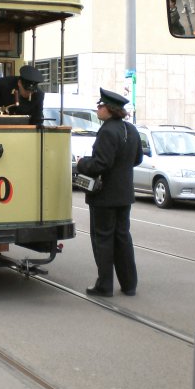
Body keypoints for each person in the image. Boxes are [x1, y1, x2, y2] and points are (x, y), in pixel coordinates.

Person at [77, 88, 143, 297]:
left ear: (110, 109)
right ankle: (129, 284)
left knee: (103, 239)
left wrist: (82, 163)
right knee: (123, 237)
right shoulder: (130, 130)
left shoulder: (107, 131)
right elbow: (138, 159)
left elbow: (100, 164)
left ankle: (104, 285)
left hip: (104, 196)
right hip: (124, 194)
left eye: (101, 105)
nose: (98, 108)